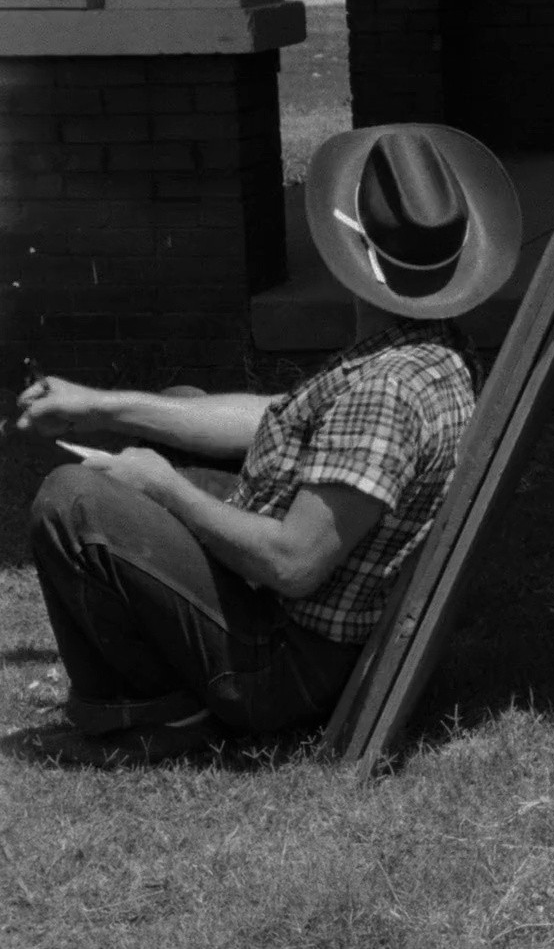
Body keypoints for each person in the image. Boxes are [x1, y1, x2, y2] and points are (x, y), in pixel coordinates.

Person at [12, 123, 521, 765]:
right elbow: (272, 418)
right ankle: (166, 676)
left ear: (349, 250)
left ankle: (153, 713)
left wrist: (163, 487)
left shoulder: (385, 393)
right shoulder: (427, 351)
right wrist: (104, 407)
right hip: (295, 622)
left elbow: (294, 563)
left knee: (71, 500)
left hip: (282, 665)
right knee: (183, 403)